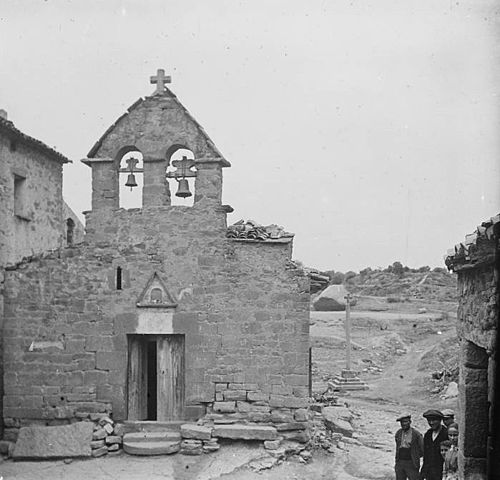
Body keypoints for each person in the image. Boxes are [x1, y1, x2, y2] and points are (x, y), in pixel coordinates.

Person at [420, 409, 449, 480]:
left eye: (434, 420)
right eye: (429, 420)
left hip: (441, 472)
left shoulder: (446, 434)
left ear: (440, 420)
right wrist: (423, 473)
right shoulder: (428, 434)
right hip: (429, 473)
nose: (431, 423)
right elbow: (426, 456)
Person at [394, 414, 424, 480]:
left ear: (410, 422)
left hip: (411, 462)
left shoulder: (416, 434)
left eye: (405, 422)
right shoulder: (398, 433)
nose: (403, 424)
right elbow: (397, 446)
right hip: (400, 462)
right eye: (401, 422)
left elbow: (422, 449)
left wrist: (415, 456)